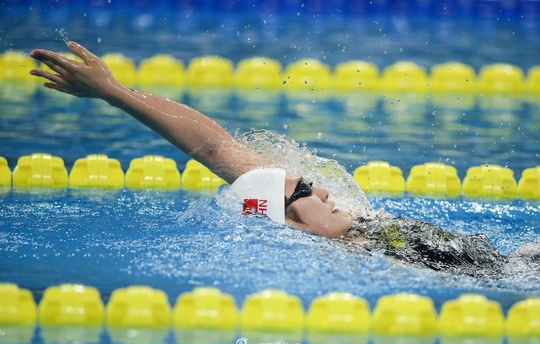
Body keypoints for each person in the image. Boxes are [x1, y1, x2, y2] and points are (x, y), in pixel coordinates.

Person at [30, 42, 527, 278]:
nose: (327, 191)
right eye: (307, 192)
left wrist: (116, 92)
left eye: (310, 184)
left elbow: (213, 147)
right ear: (289, 221)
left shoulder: (346, 230)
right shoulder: (339, 262)